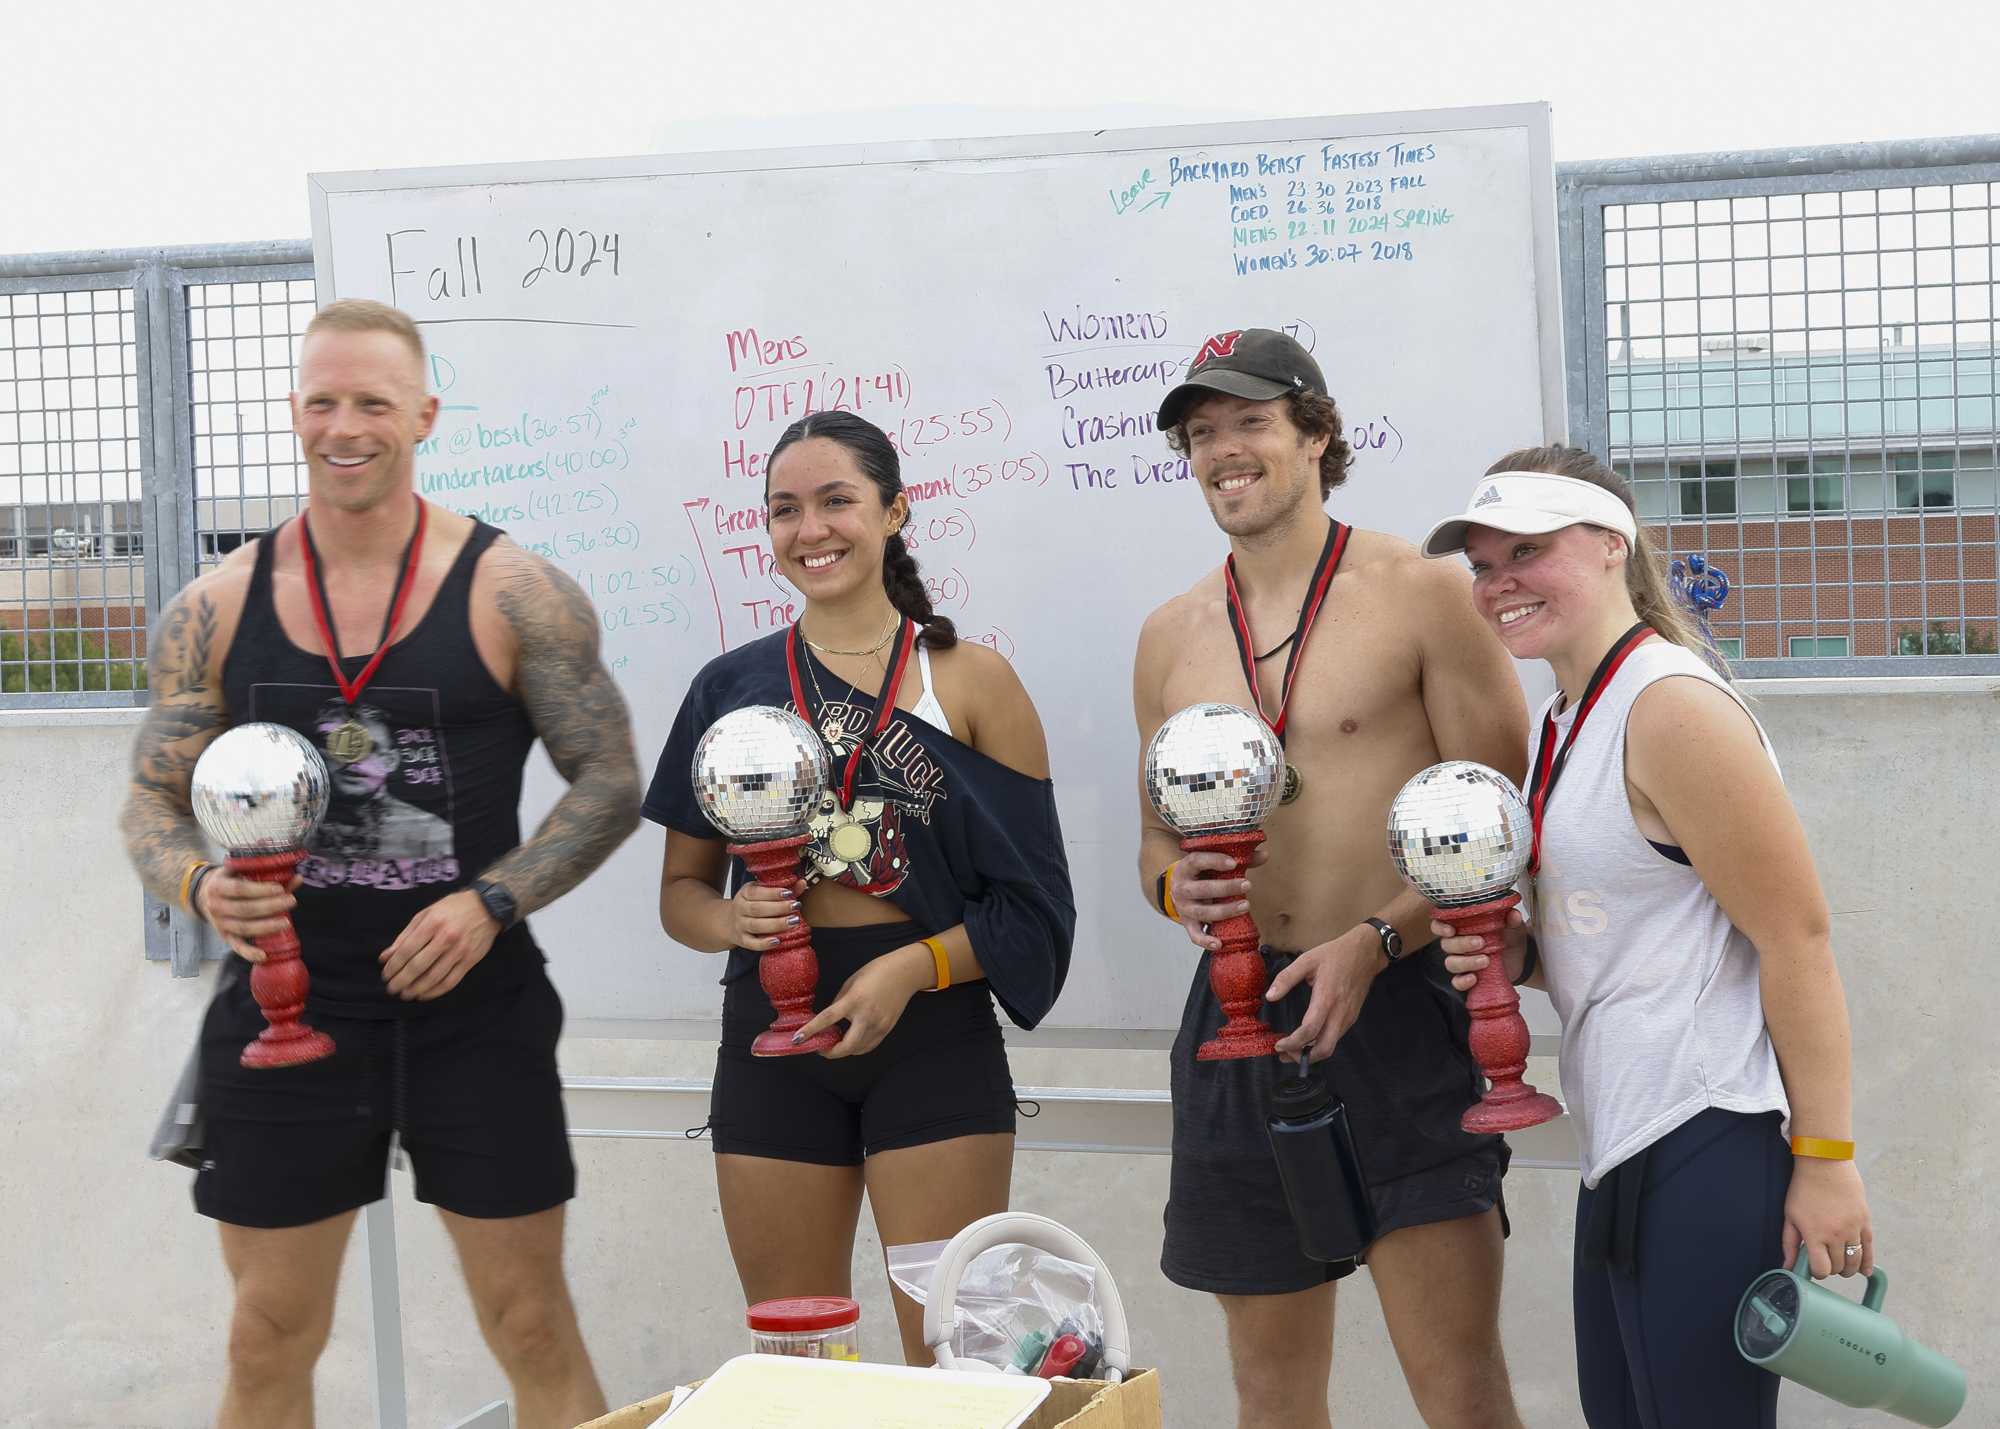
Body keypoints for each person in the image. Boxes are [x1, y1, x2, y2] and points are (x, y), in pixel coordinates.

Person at [120, 298, 640, 1429]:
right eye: (321, 401)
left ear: (423, 415)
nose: (343, 426)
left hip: (472, 1003)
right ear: (294, 414)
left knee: (532, 1324)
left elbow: (609, 778)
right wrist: (201, 886)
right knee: (266, 1336)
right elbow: (151, 804)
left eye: (371, 402)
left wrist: (491, 901)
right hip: (285, 1012)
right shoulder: (212, 607)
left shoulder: (514, 592)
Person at [1423, 447, 1872, 1428]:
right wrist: (1522, 960)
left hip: (1704, 1132)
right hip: (1622, 1142)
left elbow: (1795, 937)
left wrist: (1825, 1157)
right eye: (1481, 565)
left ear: (1607, 547)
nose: (1497, 583)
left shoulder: (1667, 705)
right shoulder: (1563, 717)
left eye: (1526, 552)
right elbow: (1632, 936)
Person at [1131, 328, 1531, 1429]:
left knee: (1454, 1384)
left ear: (1313, 432)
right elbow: (1153, 845)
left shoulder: (1419, 591)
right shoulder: (1169, 636)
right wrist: (1177, 893)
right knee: (1270, 1389)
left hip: (1397, 1005)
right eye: (1200, 434)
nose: (1223, 451)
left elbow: (1499, 815)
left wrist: (1376, 940)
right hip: (1237, 1012)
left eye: (1248, 422)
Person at [647, 409, 1075, 1366]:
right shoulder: (731, 687)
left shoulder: (972, 681)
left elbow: (1035, 913)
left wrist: (910, 970)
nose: (812, 529)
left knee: (953, 1363)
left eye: (837, 500)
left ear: (895, 511)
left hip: (933, 1029)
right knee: (797, 1366)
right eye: (785, 509)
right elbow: (680, 892)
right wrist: (728, 916)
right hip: (772, 1032)